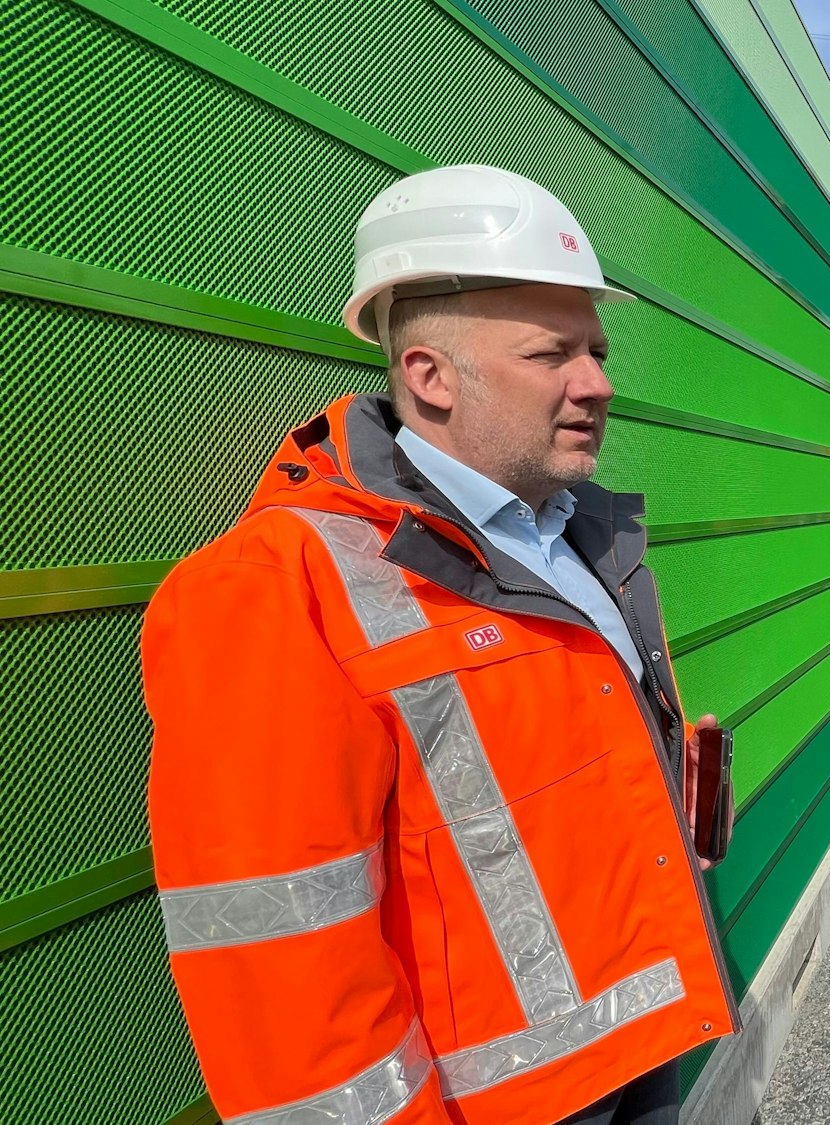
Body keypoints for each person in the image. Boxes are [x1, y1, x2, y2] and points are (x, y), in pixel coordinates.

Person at [142, 164, 737, 1125]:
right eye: (555, 353)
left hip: (647, 1046)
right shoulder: (272, 590)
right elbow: (287, 971)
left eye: (597, 348)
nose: (599, 382)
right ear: (430, 376)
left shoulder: (584, 539)